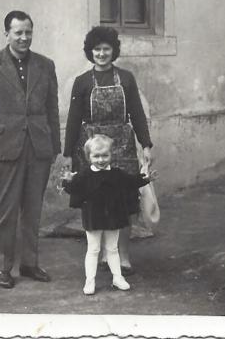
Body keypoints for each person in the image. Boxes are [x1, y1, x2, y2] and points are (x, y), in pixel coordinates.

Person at [0, 10, 61, 289]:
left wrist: (55, 146)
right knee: (4, 210)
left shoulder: (45, 65)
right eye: (18, 32)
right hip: (6, 146)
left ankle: (29, 263)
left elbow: (52, 107)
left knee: (33, 209)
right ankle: (3, 267)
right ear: (7, 34)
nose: (24, 37)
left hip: (39, 147)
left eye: (28, 32)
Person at [62, 26, 153, 275]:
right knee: (97, 201)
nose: (102, 54)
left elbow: (137, 113)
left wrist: (146, 145)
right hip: (92, 147)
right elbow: (73, 119)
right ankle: (102, 253)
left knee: (124, 200)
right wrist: (68, 153)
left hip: (122, 145)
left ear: (114, 51)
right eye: (97, 49)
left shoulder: (126, 78)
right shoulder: (81, 83)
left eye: (106, 49)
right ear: (90, 52)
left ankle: (122, 256)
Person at [61, 135, 157, 295]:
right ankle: (89, 281)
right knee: (93, 249)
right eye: (96, 156)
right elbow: (72, 190)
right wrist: (68, 181)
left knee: (112, 248)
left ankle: (117, 278)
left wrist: (146, 179)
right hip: (93, 218)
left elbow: (131, 182)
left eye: (105, 155)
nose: (101, 160)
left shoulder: (117, 174)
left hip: (113, 216)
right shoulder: (84, 176)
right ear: (88, 156)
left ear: (111, 155)